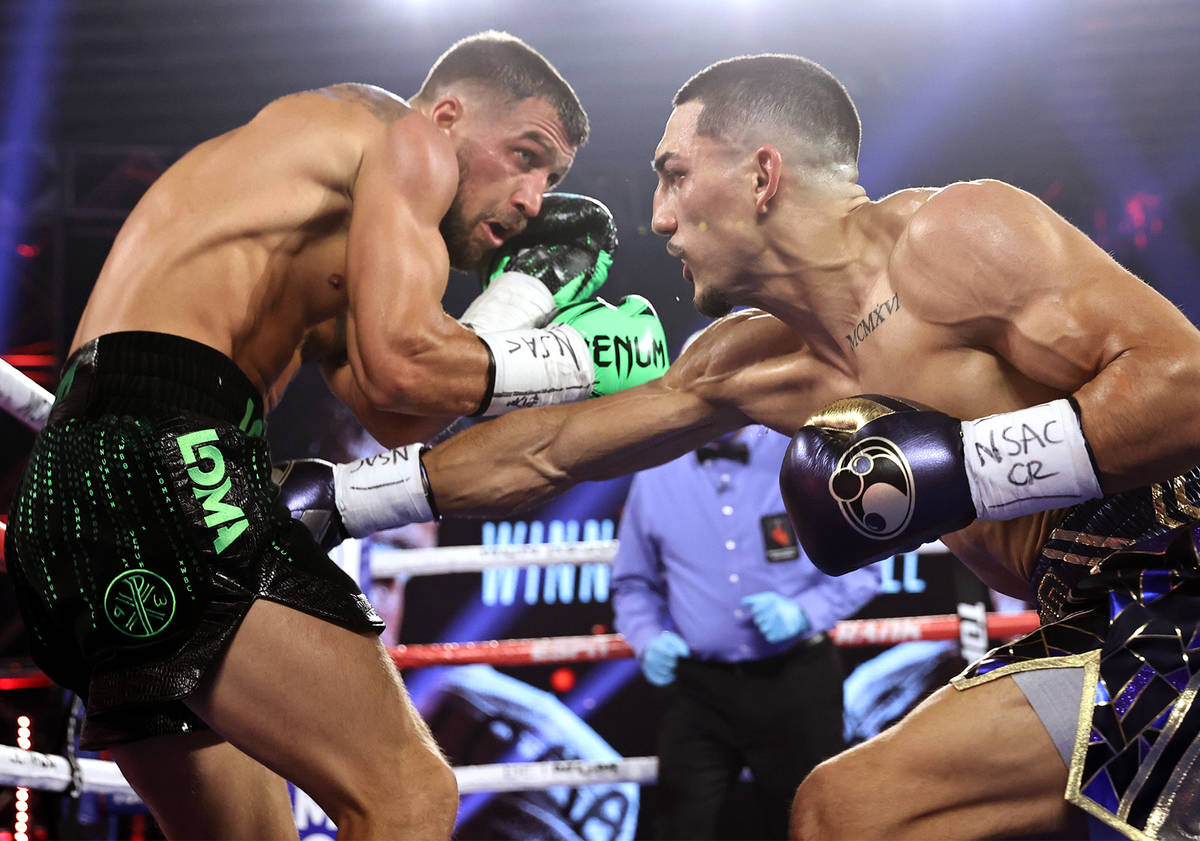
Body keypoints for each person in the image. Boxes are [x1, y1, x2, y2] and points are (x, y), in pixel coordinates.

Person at [372, 53, 1200, 840]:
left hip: (1181, 567)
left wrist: (966, 470)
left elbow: (1184, 382)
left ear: (762, 176)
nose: (658, 216)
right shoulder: (751, 366)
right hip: (1097, 615)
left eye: (675, 174)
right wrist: (345, 500)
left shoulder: (951, 238)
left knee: (853, 811)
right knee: (857, 812)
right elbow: (546, 451)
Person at [2, 31, 668, 841]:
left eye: (550, 179)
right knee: (408, 793)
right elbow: (402, 369)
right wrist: (578, 356)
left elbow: (401, 411)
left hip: (70, 492)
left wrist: (522, 297)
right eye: (524, 156)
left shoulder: (324, 211)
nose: (531, 198)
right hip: (168, 456)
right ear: (451, 115)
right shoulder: (408, 137)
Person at [612, 423, 880, 839]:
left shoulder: (806, 459)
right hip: (698, 691)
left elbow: (866, 563)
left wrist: (803, 613)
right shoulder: (654, 471)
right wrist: (646, 639)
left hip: (796, 682)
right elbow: (633, 584)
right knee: (677, 828)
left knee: (811, 826)